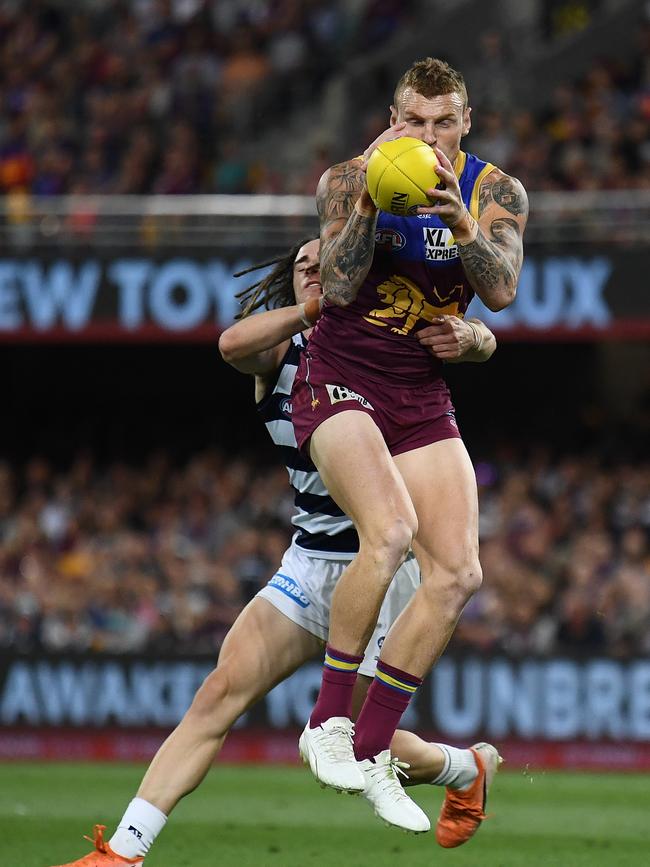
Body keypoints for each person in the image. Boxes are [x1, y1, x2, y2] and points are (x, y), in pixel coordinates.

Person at [49, 237, 499, 866]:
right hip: (312, 562)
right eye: (302, 266)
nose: (315, 270)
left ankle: (461, 767)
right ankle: (122, 853)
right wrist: (309, 311)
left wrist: (478, 338)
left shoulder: (384, 345)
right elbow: (231, 344)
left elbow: (473, 333)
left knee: (369, 748)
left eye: (327, 262)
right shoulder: (281, 353)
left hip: (386, 569)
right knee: (218, 693)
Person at [293, 57, 528, 837]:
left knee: (460, 571)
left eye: (444, 122)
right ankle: (328, 721)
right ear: (393, 117)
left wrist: (461, 229)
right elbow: (341, 284)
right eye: (413, 121)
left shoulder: (496, 192)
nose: (427, 135)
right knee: (389, 532)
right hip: (341, 375)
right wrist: (367, 200)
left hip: (420, 393)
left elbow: (499, 291)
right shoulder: (345, 178)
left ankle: (372, 750)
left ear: (467, 122)